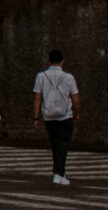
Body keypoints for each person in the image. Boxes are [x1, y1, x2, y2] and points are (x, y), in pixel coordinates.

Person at [33, 48, 81, 185]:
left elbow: (37, 98)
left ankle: (57, 171)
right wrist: (76, 113)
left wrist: (36, 118)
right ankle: (59, 173)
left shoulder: (40, 76)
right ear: (62, 61)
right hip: (65, 115)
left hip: (49, 116)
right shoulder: (69, 77)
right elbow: (75, 99)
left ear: (49, 61)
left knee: (55, 144)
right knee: (63, 144)